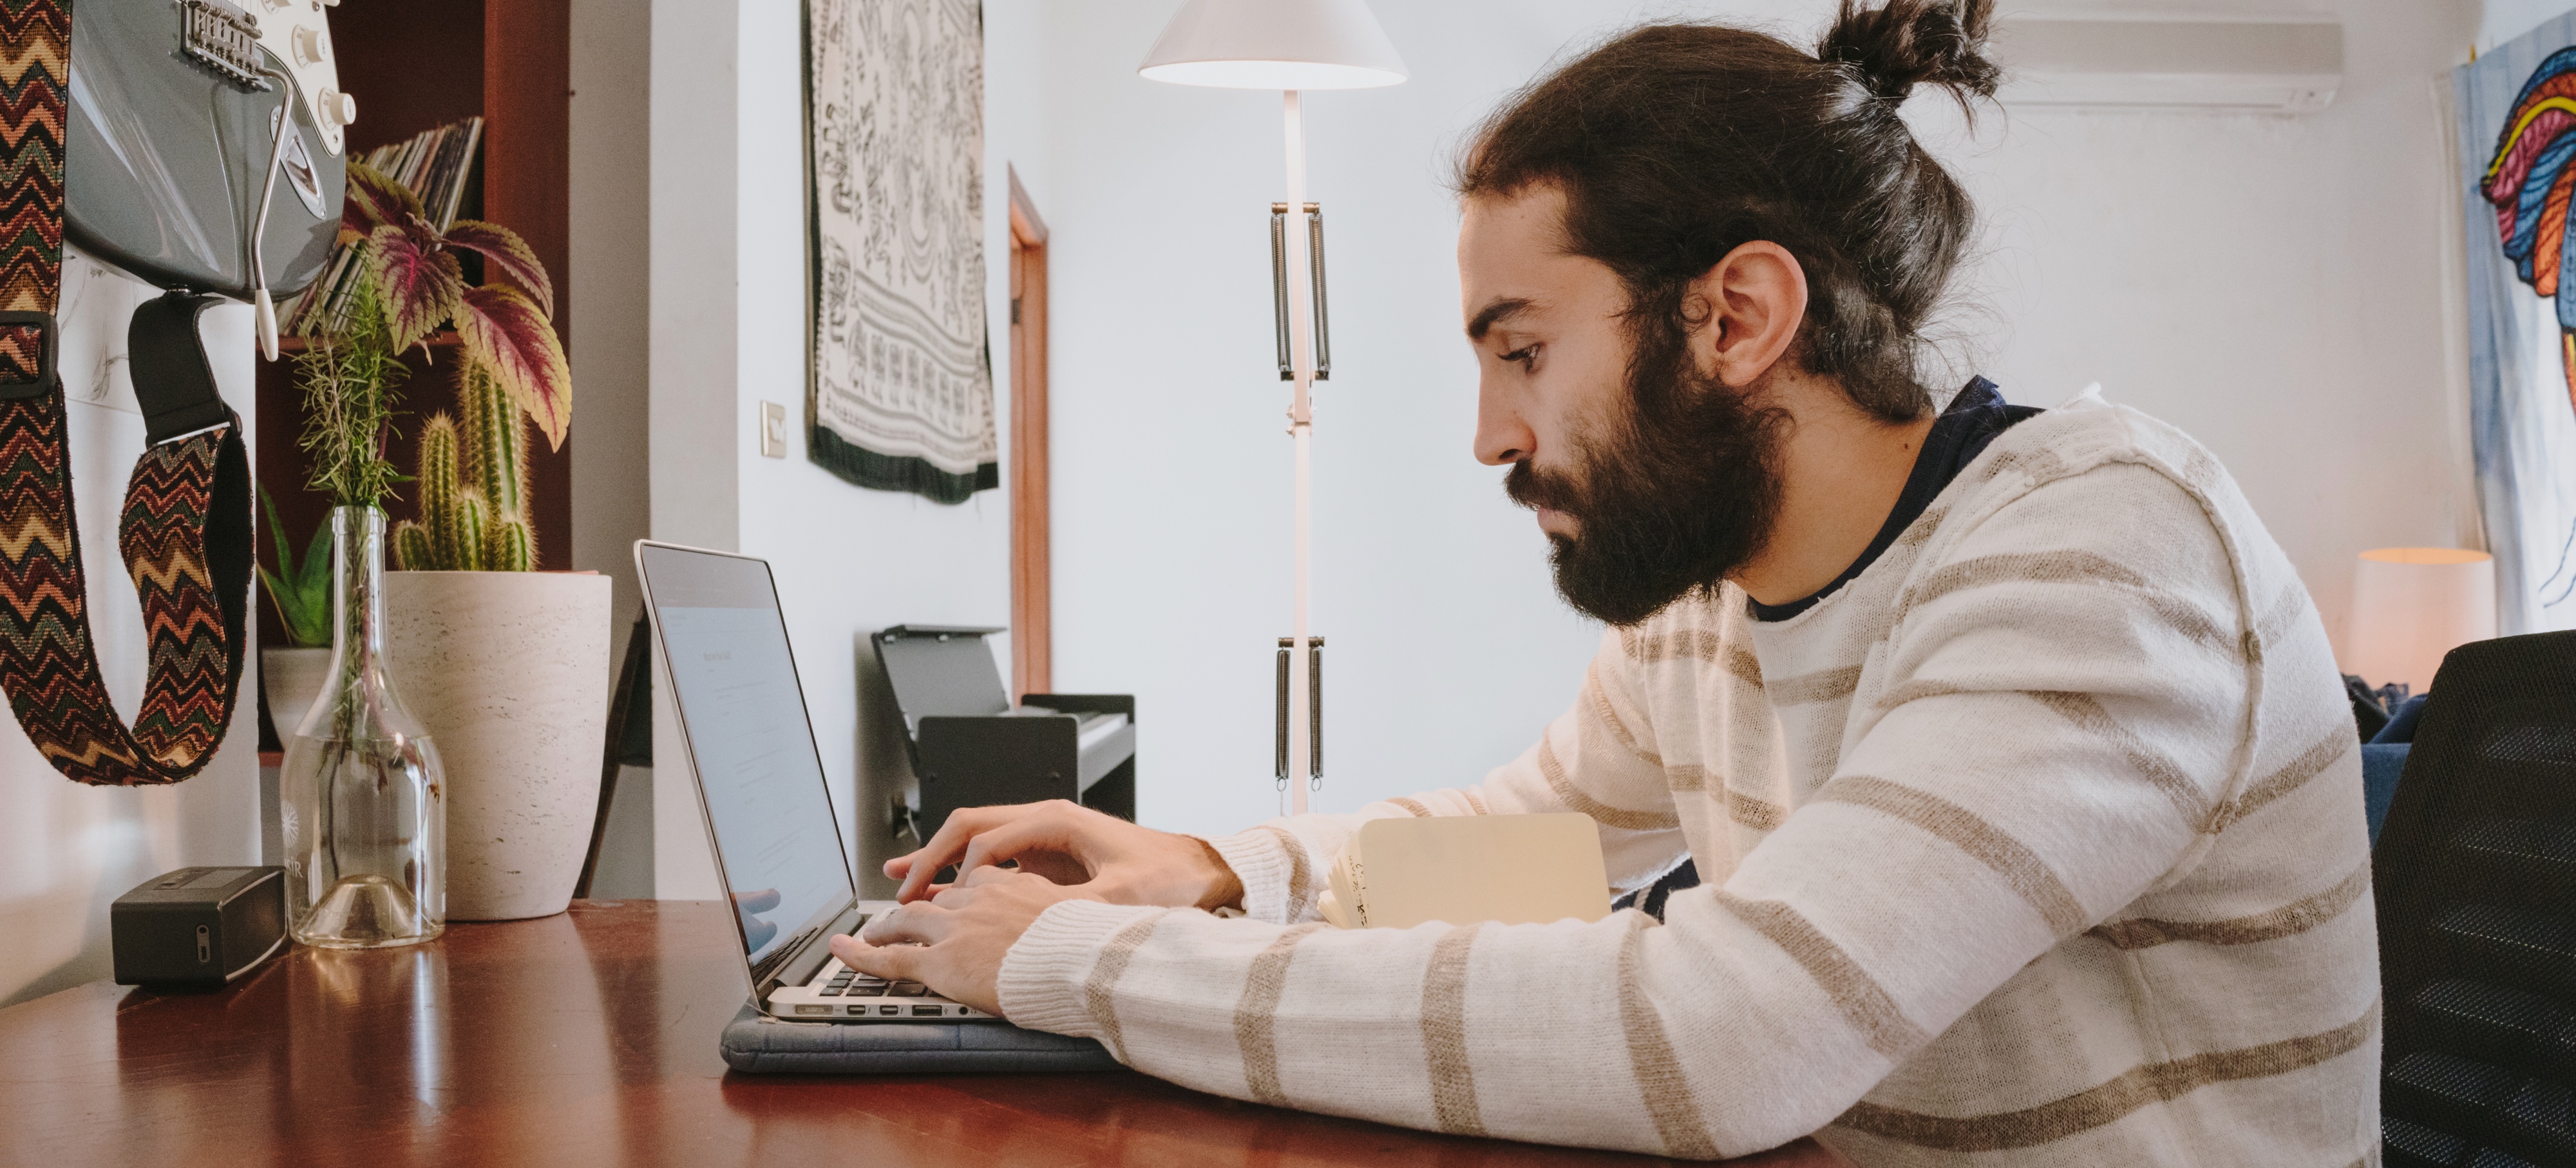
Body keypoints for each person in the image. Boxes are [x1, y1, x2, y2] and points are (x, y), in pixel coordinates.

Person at [831, 1, 2380, 1163]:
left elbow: (1729, 1035)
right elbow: (1532, 846)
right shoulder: (1713, 599)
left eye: (1522, 352)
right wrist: (1213, 870)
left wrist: (1083, 963)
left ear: (1732, 317)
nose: (1491, 434)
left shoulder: (2100, 546)